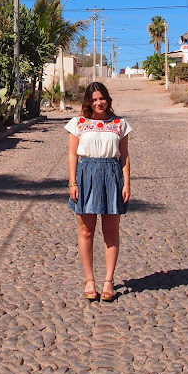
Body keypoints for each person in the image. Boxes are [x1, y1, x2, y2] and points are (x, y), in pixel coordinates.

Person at [65, 82, 131, 302]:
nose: (98, 103)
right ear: (88, 102)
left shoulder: (119, 124)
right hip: (86, 175)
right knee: (86, 231)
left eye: (101, 98)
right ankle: (89, 279)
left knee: (111, 232)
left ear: (107, 99)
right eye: (93, 99)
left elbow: (125, 156)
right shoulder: (78, 123)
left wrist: (127, 184)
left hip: (112, 176)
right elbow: (73, 155)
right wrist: (72, 183)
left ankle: (108, 281)